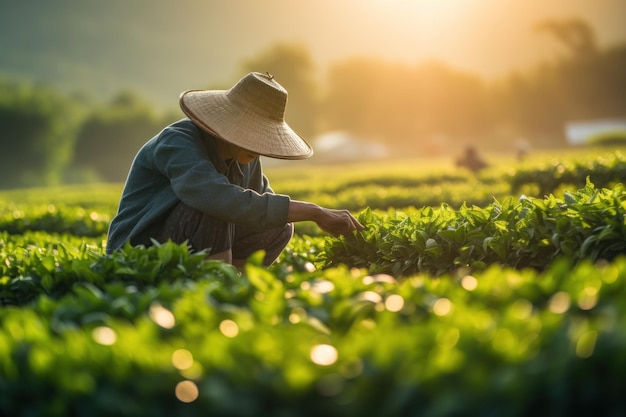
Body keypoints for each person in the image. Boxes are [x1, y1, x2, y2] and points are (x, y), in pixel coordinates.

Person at [106, 72, 364, 268]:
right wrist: (314, 211)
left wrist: (301, 214)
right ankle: (223, 288)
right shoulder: (177, 142)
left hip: (187, 242)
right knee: (215, 208)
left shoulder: (246, 158)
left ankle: (232, 282)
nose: (257, 147)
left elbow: (262, 205)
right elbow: (215, 198)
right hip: (137, 248)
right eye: (251, 134)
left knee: (280, 227)